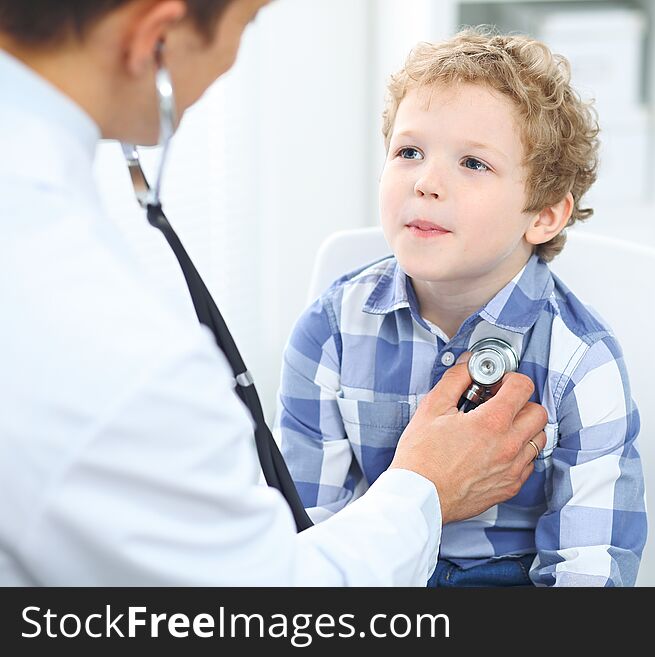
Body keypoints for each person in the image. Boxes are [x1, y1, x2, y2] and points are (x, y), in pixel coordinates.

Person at [0, 0, 548, 586]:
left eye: (473, 162)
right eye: (248, 23)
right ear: (155, 37)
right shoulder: (131, 358)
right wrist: (426, 488)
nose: (427, 182)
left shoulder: (576, 348)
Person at [277, 29, 647, 587]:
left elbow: (589, 569)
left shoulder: (580, 362)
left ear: (545, 214)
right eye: (408, 152)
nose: (426, 182)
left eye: (473, 163)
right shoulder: (329, 332)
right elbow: (307, 535)